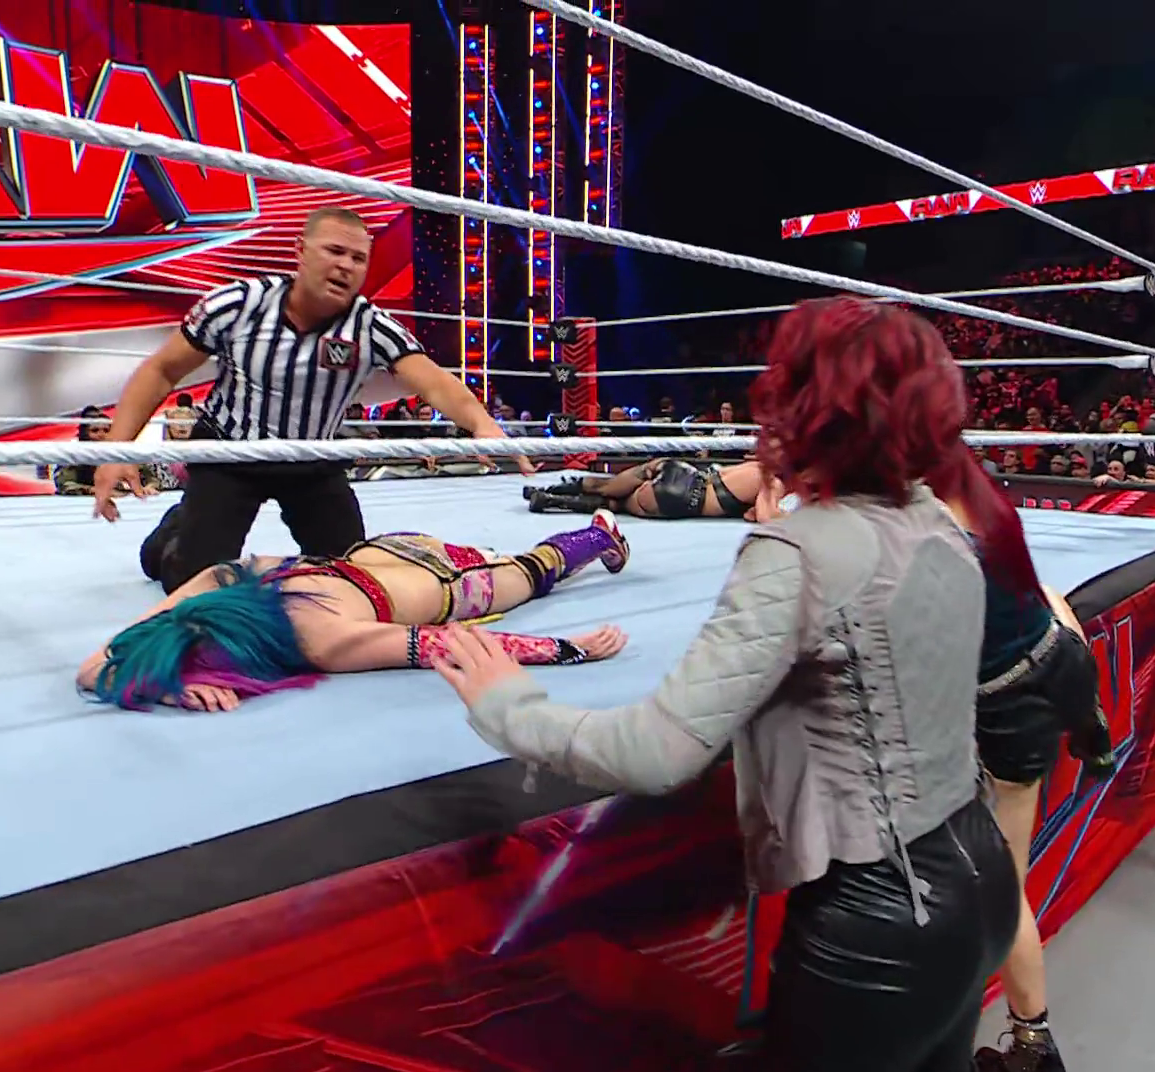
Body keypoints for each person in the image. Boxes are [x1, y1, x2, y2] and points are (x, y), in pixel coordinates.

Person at [428, 297, 1021, 1072]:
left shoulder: (799, 550)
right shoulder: (943, 524)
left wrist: (510, 704)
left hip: (882, 921)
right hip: (984, 880)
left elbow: (657, 751)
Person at [90, 206, 532, 592]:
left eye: (358, 258)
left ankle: (194, 521)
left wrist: (482, 423)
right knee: (191, 582)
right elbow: (162, 370)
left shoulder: (370, 326)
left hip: (312, 460)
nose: (345, 266)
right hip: (229, 453)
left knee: (351, 576)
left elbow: (432, 381)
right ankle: (175, 531)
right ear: (300, 251)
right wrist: (118, 449)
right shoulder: (240, 304)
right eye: (334, 251)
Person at [80, 512, 631, 711]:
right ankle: (597, 534)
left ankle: (600, 535)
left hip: (454, 585)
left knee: (533, 572)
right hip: (382, 549)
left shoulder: (319, 640)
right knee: (528, 564)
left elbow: (448, 644)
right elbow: (96, 665)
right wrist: (164, 681)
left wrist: (568, 649)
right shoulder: (219, 580)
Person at [948, 498, 1113, 1072]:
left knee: (996, 892)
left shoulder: (899, 534)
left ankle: (1007, 1053)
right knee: (998, 888)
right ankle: (1033, 1044)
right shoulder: (967, 503)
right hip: (1057, 656)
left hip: (1007, 708)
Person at [525, 457, 769, 519]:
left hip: (685, 471)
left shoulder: (757, 465)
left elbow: (718, 469)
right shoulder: (773, 481)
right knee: (617, 504)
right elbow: (761, 517)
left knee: (608, 485)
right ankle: (549, 500)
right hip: (684, 499)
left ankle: (550, 489)